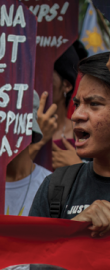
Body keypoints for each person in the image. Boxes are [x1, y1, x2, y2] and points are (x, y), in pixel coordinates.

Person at [30, 52, 110, 238]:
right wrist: (72, 229)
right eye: (77, 104)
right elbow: (32, 261)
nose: (76, 115)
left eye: (94, 104)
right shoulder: (56, 186)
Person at [30, 43, 87, 169]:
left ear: (67, 85)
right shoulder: (18, 130)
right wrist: (37, 142)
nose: (36, 86)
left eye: (44, 78)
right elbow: (9, 178)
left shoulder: (84, 133)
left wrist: (79, 168)